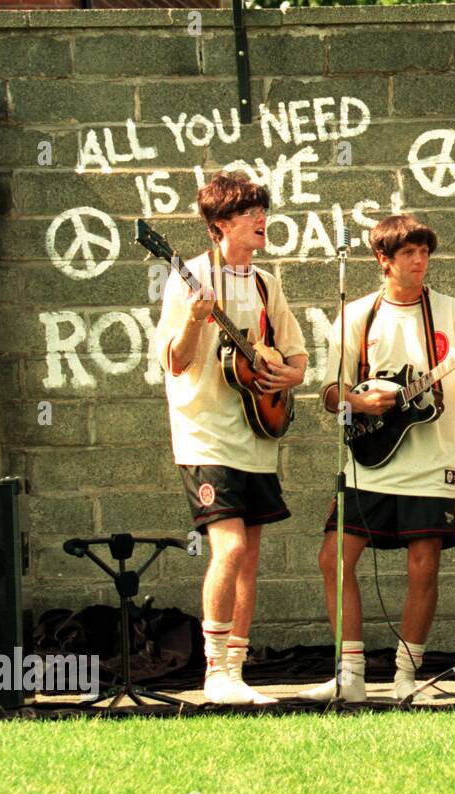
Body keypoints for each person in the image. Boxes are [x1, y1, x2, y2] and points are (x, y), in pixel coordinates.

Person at [302, 214, 455, 703]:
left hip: (432, 465)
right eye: (409, 253)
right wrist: (360, 402)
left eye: (425, 253)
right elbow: (330, 393)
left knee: (423, 566)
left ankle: (406, 675)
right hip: (367, 463)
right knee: (335, 558)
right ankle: (350, 675)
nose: (419, 261)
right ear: (383, 260)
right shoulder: (357, 316)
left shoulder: (454, 314)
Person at [155, 172, 308, 705]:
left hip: (256, 434)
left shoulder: (267, 283)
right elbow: (175, 361)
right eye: (249, 213)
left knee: (251, 555)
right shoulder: (190, 278)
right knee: (231, 546)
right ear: (220, 225)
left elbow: (295, 355)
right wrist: (197, 321)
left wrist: (287, 377)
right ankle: (214, 672)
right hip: (205, 437)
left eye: (262, 210)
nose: (261, 220)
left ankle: (237, 673)